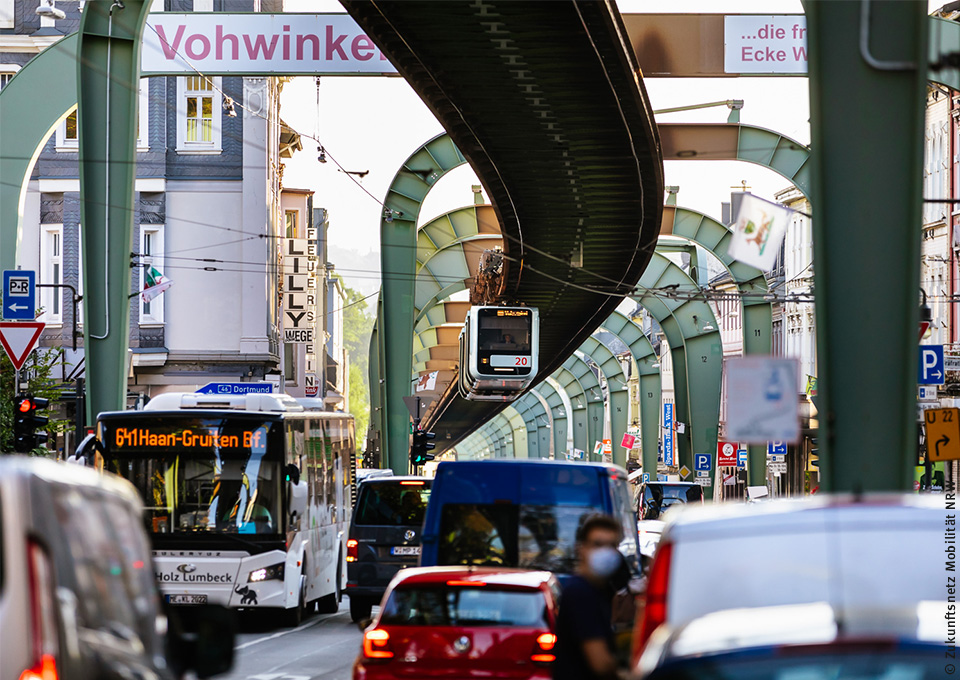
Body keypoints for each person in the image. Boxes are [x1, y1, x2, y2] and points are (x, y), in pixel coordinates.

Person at [554, 513, 623, 680]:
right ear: (581, 549)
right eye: (597, 544)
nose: (605, 552)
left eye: (611, 545)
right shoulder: (580, 593)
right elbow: (600, 664)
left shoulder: (598, 590)